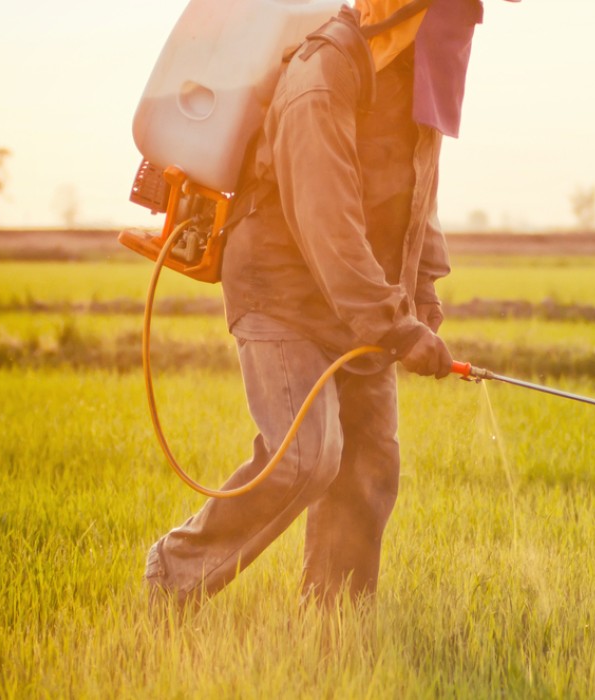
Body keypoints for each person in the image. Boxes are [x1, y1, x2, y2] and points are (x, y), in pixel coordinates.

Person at [144, 0, 508, 610]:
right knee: (306, 457)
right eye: (457, 10)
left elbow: (421, 191)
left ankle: (332, 625)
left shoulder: (410, 82)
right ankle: (174, 575)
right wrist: (396, 326)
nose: (466, 27)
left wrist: (423, 291)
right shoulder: (322, 76)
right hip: (281, 288)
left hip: (361, 297)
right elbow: (327, 224)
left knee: (370, 467)